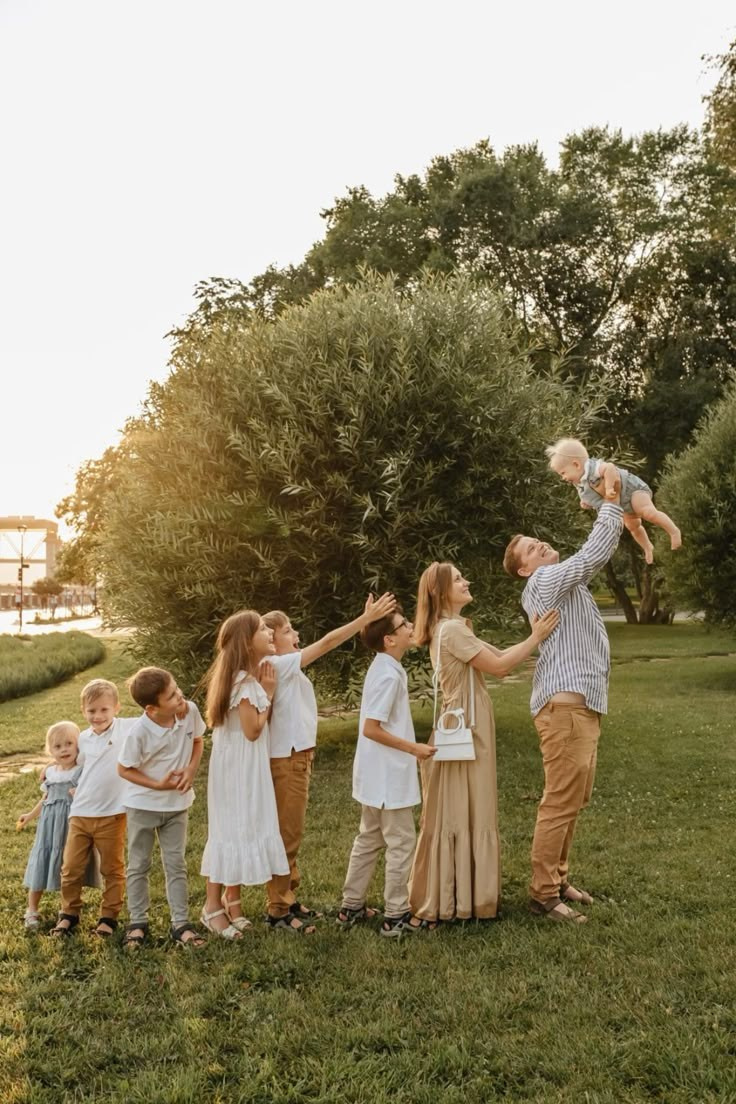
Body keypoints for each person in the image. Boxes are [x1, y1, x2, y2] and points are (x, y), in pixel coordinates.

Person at [408, 564, 559, 925]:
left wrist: (532, 637)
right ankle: (459, 898)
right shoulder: (452, 631)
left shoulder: (453, 629)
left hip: (467, 725)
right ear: (442, 592)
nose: (467, 580)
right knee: (465, 808)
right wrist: (536, 636)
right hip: (467, 730)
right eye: (459, 579)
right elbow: (502, 666)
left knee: (465, 809)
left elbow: (501, 654)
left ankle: (463, 895)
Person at [503, 497, 623, 923]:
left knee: (574, 797)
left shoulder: (563, 585)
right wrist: (611, 505)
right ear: (524, 569)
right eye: (532, 549)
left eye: (539, 542)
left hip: (582, 708)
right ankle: (542, 896)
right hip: (564, 709)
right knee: (559, 801)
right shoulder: (543, 583)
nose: (541, 546)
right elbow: (593, 554)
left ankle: (557, 879)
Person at [262, 592, 396, 926]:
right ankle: (278, 908)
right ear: (271, 642)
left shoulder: (283, 667)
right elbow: (327, 643)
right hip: (287, 759)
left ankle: (288, 898)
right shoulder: (278, 664)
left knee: (293, 831)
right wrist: (364, 620)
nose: (296, 636)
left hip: (298, 757)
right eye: (288, 631)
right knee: (287, 835)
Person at [337, 605, 436, 937]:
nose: (410, 626)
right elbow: (371, 728)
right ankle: (396, 915)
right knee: (402, 841)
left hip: (375, 774)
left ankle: (351, 906)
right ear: (390, 639)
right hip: (386, 777)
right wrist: (415, 749)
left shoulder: (386, 666)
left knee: (369, 838)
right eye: (403, 624)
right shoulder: (388, 674)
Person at [199, 610, 294, 938]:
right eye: (263, 629)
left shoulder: (242, 678)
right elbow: (253, 730)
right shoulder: (245, 683)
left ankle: (231, 901)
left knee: (239, 827)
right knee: (230, 829)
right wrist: (267, 694)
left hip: (241, 765)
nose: (270, 632)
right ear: (246, 641)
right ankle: (211, 907)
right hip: (238, 768)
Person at [117, 667, 206, 948]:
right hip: (143, 806)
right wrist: (157, 785)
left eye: (177, 688)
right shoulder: (140, 732)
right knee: (139, 864)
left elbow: (198, 741)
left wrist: (191, 770)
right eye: (171, 696)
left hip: (177, 806)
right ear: (152, 708)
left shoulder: (189, 711)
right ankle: (137, 923)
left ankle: (181, 925)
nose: (180, 696)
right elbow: (124, 769)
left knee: (176, 863)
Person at [51, 679, 135, 937]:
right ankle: (69, 913)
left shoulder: (126, 728)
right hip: (80, 813)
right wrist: (48, 770)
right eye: (91, 711)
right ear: (83, 711)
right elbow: (70, 763)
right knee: (70, 868)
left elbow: (155, 719)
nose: (98, 716)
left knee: (112, 869)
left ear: (117, 708)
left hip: (112, 815)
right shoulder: (83, 739)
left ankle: (108, 917)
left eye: (104, 710)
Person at [546, 436, 681, 563]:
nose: (563, 478)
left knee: (647, 512)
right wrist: (585, 503)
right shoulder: (580, 483)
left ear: (576, 464)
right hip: (623, 505)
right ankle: (647, 546)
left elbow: (610, 468)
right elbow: (590, 496)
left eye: (563, 473)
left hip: (632, 490)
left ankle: (673, 531)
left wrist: (610, 487)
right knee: (633, 527)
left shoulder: (594, 468)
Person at [18, 721, 100, 929]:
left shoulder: (81, 772)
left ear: (78, 746)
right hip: (49, 827)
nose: (64, 749)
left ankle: (67, 910)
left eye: (69, 743)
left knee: (69, 866)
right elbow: (46, 799)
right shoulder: (51, 774)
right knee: (42, 863)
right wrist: (29, 815)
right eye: (57, 746)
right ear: (50, 751)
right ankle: (32, 910)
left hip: (72, 827)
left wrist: (80, 793)